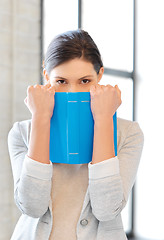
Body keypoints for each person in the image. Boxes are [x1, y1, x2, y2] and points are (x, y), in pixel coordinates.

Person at [8, 29, 144, 240]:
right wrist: (41, 118)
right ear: (46, 77)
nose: (72, 92)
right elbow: (32, 207)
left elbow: (106, 209)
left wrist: (103, 119)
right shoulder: (22, 132)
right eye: (61, 82)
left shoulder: (128, 134)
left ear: (99, 76)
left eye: (84, 81)